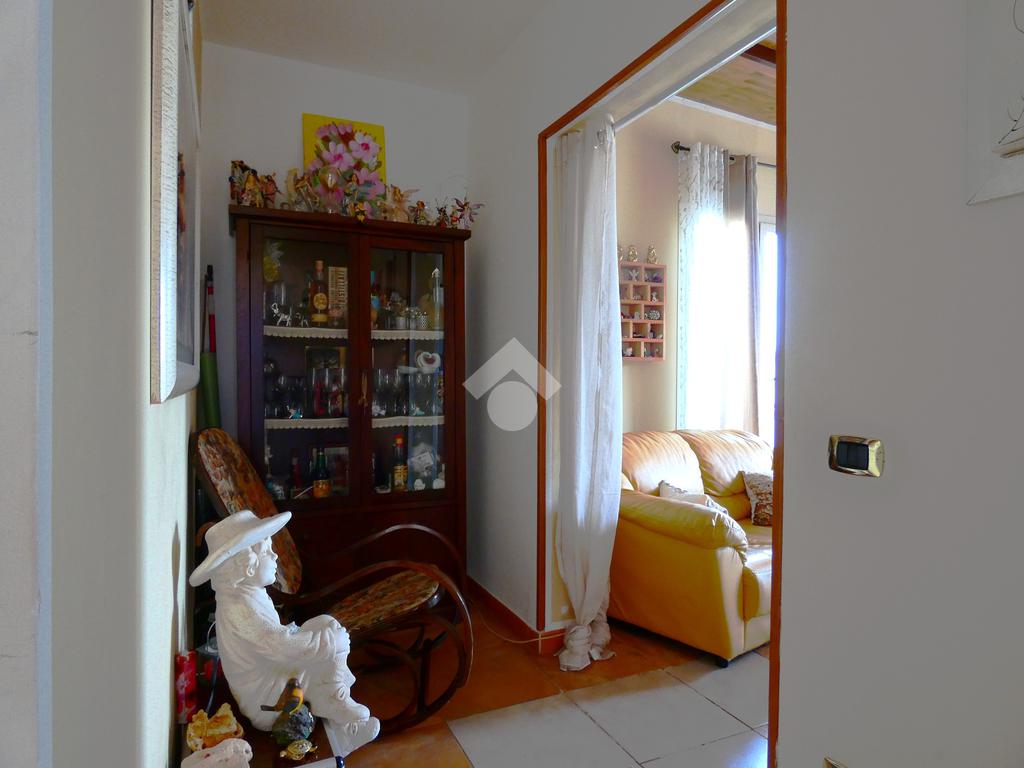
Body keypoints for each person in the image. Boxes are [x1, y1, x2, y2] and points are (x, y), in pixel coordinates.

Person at [189, 511, 380, 756]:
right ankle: (339, 707)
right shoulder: (239, 608)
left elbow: (276, 640)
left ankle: (339, 712)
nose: (275, 555)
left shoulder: (248, 594)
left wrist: (324, 636)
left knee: (325, 624)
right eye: (267, 551)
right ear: (247, 566)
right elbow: (282, 647)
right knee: (327, 644)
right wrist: (331, 642)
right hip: (267, 702)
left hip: (272, 674)